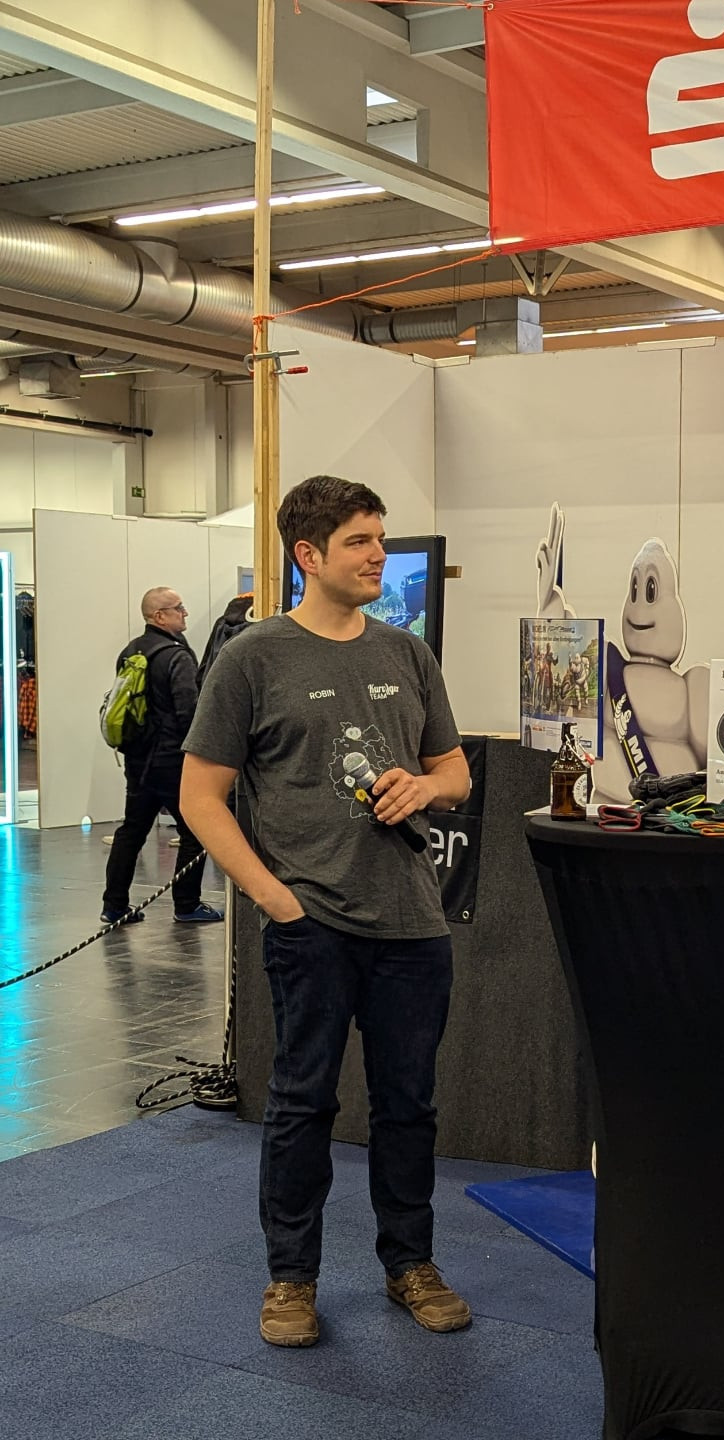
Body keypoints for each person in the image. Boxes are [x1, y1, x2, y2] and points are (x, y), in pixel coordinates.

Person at [180, 474, 474, 1348]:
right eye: (359, 541)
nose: (379, 554)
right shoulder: (253, 658)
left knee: (409, 1106)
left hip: (413, 924)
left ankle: (410, 1264)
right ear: (308, 555)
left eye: (381, 538)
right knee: (303, 1104)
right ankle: (291, 1280)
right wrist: (276, 899)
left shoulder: (407, 654)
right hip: (311, 925)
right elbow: (200, 798)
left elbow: (455, 773)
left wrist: (425, 786)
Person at [101, 588, 221, 926]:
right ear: (159, 616)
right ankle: (187, 904)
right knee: (194, 831)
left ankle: (114, 905)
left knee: (132, 830)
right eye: (178, 608)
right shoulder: (176, 656)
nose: (185, 612)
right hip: (172, 762)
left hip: (138, 760)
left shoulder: (130, 651)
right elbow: (189, 712)